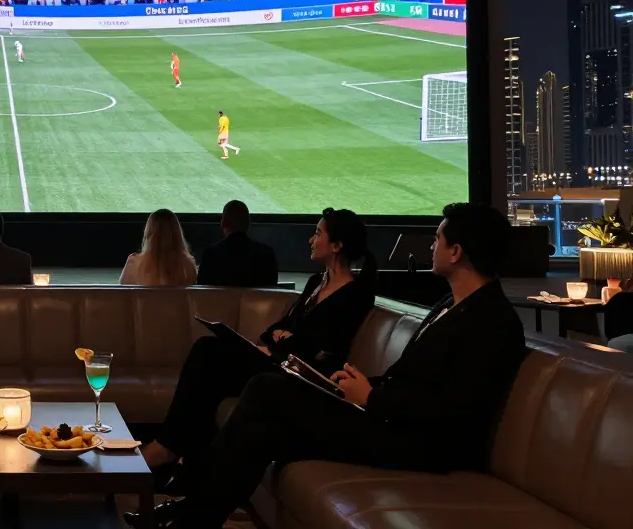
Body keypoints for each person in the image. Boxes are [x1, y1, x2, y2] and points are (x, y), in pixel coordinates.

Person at [127, 203, 524, 528]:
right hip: (390, 419)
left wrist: (371, 398)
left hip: (419, 443)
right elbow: (415, 379)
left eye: (438, 239)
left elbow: (455, 411)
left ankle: (189, 502)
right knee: (262, 430)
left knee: (266, 388)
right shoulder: (450, 306)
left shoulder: (492, 321)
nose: (432, 246)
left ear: (456, 252)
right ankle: (194, 516)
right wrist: (364, 384)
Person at [139, 208, 377, 487]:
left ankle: (170, 449)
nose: (311, 240)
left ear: (337, 245)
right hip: (280, 362)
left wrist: (280, 343)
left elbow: (321, 348)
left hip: (303, 377)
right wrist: (280, 339)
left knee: (208, 354)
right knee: (209, 358)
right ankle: (187, 462)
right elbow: (280, 328)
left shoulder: (354, 294)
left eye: (317, 234)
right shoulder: (317, 283)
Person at [197, 200, 278, 288]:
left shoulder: (211, 255)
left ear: (223, 223)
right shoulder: (267, 255)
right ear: (248, 224)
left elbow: (202, 290)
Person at [119, 209, 197, 286]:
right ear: (177, 233)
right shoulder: (188, 265)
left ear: (148, 232)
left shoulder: (134, 263)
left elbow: (123, 292)